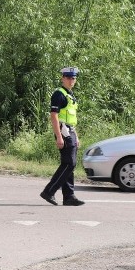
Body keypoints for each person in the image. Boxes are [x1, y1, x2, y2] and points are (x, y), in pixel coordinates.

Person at [40, 67, 85, 206]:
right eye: (68, 78)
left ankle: (69, 196)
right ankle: (49, 191)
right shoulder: (59, 94)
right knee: (69, 164)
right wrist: (59, 137)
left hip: (70, 130)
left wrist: (76, 136)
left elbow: (71, 118)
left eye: (73, 78)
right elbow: (54, 116)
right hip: (63, 131)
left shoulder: (69, 94)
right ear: (63, 78)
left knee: (69, 165)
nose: (71, 81)